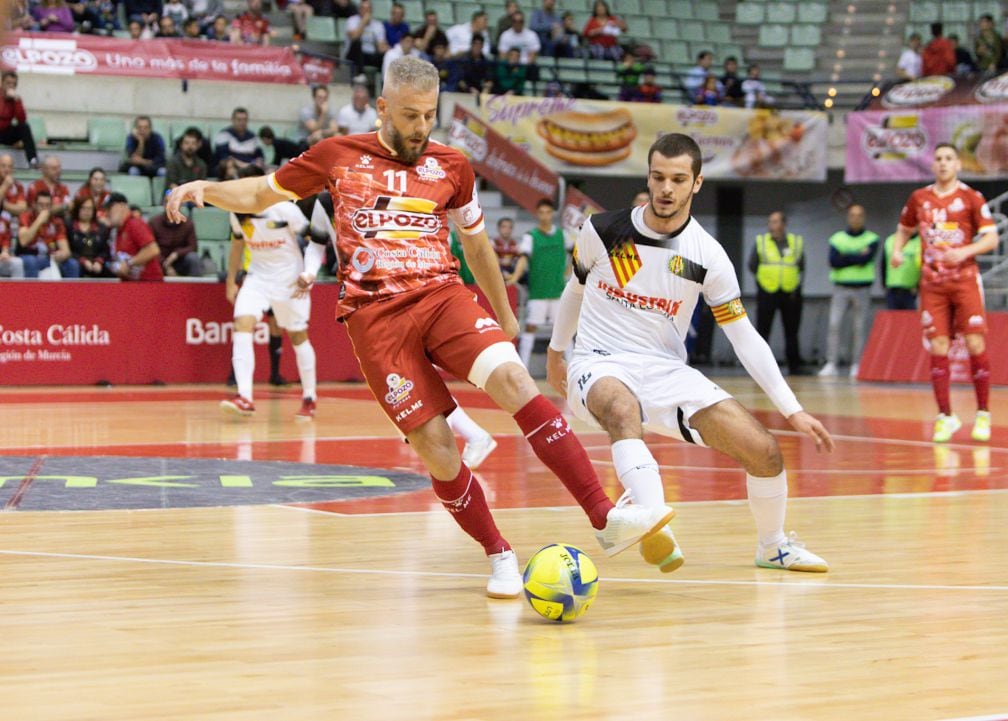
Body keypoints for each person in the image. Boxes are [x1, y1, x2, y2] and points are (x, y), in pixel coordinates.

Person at [165, 56, 672, 599]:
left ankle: (603, 517)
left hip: (441, 296)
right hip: (374, 319)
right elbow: (262, 193)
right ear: (383, 108)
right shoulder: (337, 155)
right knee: (437, 449)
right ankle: (499, 555)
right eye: (410, 116)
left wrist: (501, 314)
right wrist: (204, 189)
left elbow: (475, 243)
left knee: (516, 384)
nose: (421, 127)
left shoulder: (451, 165)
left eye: (429, 116)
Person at [547, 133, 834, 576]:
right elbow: (575, 289)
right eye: (658, 177)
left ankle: (773, 546)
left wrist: (791, 409)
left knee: (764, 450)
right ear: (648, 176)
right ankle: (653, 518)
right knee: (623, 407)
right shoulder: (602, 229)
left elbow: (744, 336)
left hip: (664, 371)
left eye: (678, 179)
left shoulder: (708, 256)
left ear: (696, 183)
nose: (666, 189)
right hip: (598, 361)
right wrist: (556, 352)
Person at [893, 143, 999, 443]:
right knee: (938, 345)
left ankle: (983, 414)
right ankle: (945, 416)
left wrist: (965, 250)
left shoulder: (970, 197)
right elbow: (904, 227)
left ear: (958, 165)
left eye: (949, 159)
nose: (943, 163)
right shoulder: (920, 198)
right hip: (932, 285)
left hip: (964, 280)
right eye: (938, 159)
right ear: (933, 165)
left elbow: (991, 237)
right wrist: (898, 251)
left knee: (975, 341)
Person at [220, 174, 322, 420]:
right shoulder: (237, 213)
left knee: (298, 337)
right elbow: (237, 246)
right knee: (242, 324)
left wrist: (309, 273)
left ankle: (309, 396)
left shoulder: (285, 210)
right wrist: (231, 280)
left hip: (290, 280)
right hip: (257, 278)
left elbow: (315, 242)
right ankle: (245, 397)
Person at [819, 204, 879, 379]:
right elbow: (834, 261)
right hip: (841, 288)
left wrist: (846, 256)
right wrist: (857, 257)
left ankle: (857, 364)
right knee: (834, 325)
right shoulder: (837, 238)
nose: (856, 219)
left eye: (859, 215)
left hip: (863, 288)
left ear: (864, 218)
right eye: (852, 215)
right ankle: (832, 363)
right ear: (848, 217)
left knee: (859, 327)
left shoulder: (871, 238)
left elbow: (866, 258)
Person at [749, 211, 804, 375]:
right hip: (767, 291)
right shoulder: (762, 241)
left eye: (775, 222)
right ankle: (760, 368)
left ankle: (794, 366)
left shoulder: (795, 242)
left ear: (783, 224)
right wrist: (764, 280)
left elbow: (801, 265)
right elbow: (752, 265)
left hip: (790, 292)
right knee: (763, 330)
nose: (771, 225)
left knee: (792, 331)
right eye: (770, 222)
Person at [517, 198, 570, 365]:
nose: (545, 216)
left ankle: (573, 366)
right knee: (531, 327)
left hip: (558, 290)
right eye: (541, 212)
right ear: (537, 214)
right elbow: (523, 259)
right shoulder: (531, 236)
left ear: (552, 214)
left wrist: (569, 272)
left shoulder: (563, 235)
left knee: (564, 330)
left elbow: (577, 253)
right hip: (538, 291)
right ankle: (523, 367)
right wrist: (515, 276)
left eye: (548, 212)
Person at [17, 191, 78, 278]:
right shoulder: (26, 217)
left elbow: (66, 250)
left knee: (72, 264)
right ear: (34, 205)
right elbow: (23, 241)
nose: (44, 208)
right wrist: (39, 221)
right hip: (29, 256)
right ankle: (30, 291)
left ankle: (72, 291)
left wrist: (61, 255)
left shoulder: (57, 222)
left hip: (50, 258)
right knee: (31, 261)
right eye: (41, 205)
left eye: (47, 205)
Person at [104, 193, 163, 281]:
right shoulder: (118, 231)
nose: (107, 213)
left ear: (121, 206)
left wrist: (129, 263)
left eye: (109, 209)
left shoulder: (134, 224)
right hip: (132, 284)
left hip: (149, 284)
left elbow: (153, 250)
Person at [0, 72, 38, 169]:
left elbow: (22, 119)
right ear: (2, 83)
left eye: (14, 84)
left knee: (24, 127)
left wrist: (17, 102)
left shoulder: (15, 100)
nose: (11, 86)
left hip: (5, 133)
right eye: (8, 83)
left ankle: (33, 161)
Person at [214, 107, 264, 179]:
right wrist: (243, 165)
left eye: (245, 120)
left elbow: (260, 156)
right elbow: (224, 157)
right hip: (232, 168)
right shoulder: (224, 135)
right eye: (239, 120)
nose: (242, 122)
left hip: (250, 170)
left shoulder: (253, 137)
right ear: (233, 120)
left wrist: (257, 163)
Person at [67, 196, 111, 278]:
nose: (86, 211)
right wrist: (83, 261)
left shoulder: (101, 228)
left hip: (96, 265)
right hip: (77, 263)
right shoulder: (69, 226)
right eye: (83, 208)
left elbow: (105, 251)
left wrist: (99, 261)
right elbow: (69, 250)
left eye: (90, 208)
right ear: (77, 209)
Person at [149, 210, 201, 277]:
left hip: (180, 261)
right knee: (149, 257)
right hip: (160, 260)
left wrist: (176, 254)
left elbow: (193, 246)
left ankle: (196, 286)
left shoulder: (187, 223)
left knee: (193, 258)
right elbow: (150, 247)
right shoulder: (154, 222)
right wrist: (166, 265)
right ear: (165, 206)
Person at [344, 0, 389, 72]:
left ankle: (384, 81)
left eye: (368, 9)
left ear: (371, 10)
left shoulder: (378, 25)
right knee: (357, 43)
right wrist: (363, 22)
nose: (365, 11)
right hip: (353, 54)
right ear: (359, 10)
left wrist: (386, 48)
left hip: (370, 55)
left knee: (387, 55)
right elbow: (354, 37)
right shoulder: (351, 20)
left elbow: (380, 47)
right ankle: (359, 74)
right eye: (363, 8)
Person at [883, 231, 920, 310]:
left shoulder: (919, 241)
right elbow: (883, 264)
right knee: (893, 319)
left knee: (910, 319)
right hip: (892, 289)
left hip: (911, 291)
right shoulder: (890, 240)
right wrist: (884, 285)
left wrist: (918, 286)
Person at [166, 128, 209, 195]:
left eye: (193, 143)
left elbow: (202, 185)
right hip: (175, 195)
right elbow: (172, 185)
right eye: (187, 143)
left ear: (198, 146)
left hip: (194, 197)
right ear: (181, 145)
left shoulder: (201, 164)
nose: (190, 146)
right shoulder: (173, 162)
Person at [494, 216, 525, 285]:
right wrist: (501, 261)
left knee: (523, 261)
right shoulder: (493, 243)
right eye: (504, 227)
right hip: (497, 271)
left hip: (511, 271)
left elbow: (520, 261)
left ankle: (512, 279)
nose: (507, 230)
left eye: (509, 227)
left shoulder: (515, 245)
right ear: (498, 228)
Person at [0, 153, 28, 219]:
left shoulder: (18, 186)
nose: (7, 169)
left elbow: (22, 209)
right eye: (3, 166)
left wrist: (3, 205)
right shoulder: (7, 184)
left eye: (10, 166)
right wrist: (5, 185)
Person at [0, 212, 24, 278]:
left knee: (17, 263)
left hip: (1, 257)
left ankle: (17, 288)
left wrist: (5, 251)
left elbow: (5, 239)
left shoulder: (3, 221)